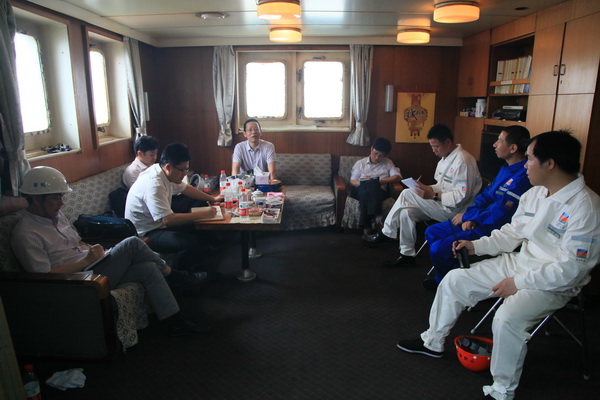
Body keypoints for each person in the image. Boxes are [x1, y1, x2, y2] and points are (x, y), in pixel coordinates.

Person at [396, 131, 600, 400]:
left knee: (506, 318)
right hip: (522, 262)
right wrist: (476, 246)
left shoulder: (586, 207)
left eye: (530, 159)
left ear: (550, 163)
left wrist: (518, 283)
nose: (525, 165)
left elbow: (571, 270)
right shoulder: (535, 194)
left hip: (555, 282)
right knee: (455, 280)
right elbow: (512, 233)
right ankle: (432, 342)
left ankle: (502, 389)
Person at [10, 166, 212, 339]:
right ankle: (178, 277)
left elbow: (77, 243)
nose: (61, 202)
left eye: (61, 196)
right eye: (56, 197)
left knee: (148, 268)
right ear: (36, 199)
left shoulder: (56, 216)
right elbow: (42, 276)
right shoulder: (26, 233)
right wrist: (85, 261)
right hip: (79, 283)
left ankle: (177, 323)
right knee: (133, 243)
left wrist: (93, 251)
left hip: (93, 266)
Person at [422, 126, 532, 290]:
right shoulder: (505, 169)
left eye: (499, 140)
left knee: (438, 249)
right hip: (477, 219)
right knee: (432, 232)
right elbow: (485, 196)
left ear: (513, 148)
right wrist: (470, 216)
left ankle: (452, 283)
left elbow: (501, 212)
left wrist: (472, 218)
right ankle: (450, 275)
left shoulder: (523, 176)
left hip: (492, 227)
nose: (494, 144)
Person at [363, 124, 481, 267]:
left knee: (406, 193)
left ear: (447, 142)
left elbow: (461, 197)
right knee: (406, 211)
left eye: (436, 146)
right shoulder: (445, 158)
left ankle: (386, 232)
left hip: (457, 212)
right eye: (432, 146)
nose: (434, 150)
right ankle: (407, 255)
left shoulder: (463, 161)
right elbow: (442, 185)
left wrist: (433, 195)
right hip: (442, 204)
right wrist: (427, 188)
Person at [125, 142, 223, 271]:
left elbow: (186, 188)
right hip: (146, 233)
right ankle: (184, 275)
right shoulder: (154, 184)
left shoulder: (162, 171)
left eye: (186, 169)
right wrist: (203, 214)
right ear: (168, 167)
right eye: (182, 170)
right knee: (189, 242)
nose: (184, 174)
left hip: (158, 224)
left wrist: (213, 199)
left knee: (197, 225)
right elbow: (168, 220)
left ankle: (203, 263)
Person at [121, 135, 206, 214]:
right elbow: (166, 219)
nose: (154, 157)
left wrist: (212, 199)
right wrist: (203, 214)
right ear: (140, 154)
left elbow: (184, 188)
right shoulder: (134, 172)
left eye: (156, 153)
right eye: (151, 154)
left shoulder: (155, 167)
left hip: (166, 198)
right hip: (153, 207)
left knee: (200, 198)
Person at [349, 137, 402, 235]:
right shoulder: (360, 163)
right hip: (360, 189)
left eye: (381, 155)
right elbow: (352, 181)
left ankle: (366, 226)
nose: (377, 157)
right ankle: (378, 215)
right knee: (369, 186)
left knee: (370, 188)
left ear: (385, 155)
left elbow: (397, 176)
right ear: (371, 148)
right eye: (375, 153)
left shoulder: (388, 162)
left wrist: (381, 181)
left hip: (380, 191)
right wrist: (364, 183)